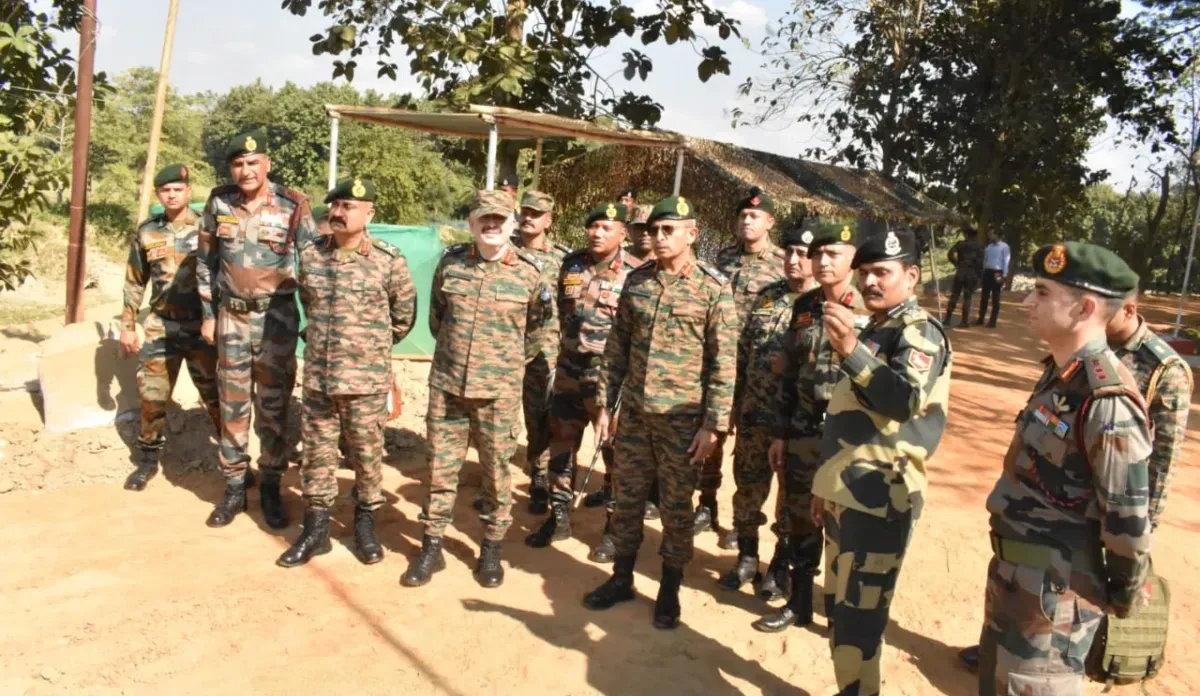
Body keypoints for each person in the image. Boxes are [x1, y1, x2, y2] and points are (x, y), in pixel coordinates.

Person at [958, 266, 1189, 675]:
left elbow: (1151, 472)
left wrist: (1126, 582)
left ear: (1089, 308)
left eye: (1043, 294)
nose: (1028, 302)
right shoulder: (1066, 364)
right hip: (1026, 566)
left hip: (1069, 568)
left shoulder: (1141, 378)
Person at [581, 195, 737, 630]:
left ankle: (670, 587)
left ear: (693, 233)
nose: (660, 237)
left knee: (675, 507)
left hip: (683, 421)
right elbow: (616, 349)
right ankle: (622, 578)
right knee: (626, 500)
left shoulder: (713, 288)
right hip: (633, 415)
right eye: (655, 230)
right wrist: (603, 405)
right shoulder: (638, 282)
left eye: (670, 230)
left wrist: (714, 424)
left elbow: (725, 362)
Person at [811, 230, 952, 695]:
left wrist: (852, 349)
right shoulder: (876, 326)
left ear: (910, 277)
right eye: (865, 272)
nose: (871, 281)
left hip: (881, 497)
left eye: (882, 273)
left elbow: (904, 400)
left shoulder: (919, 331)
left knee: (859, 620)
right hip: (847, 491)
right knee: (840, 610)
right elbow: (848, 417)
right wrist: (825, 486)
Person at [401, 190, 556, 589]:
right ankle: (431, 546)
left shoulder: (529, 271)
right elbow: (438, 320)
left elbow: (537, 331)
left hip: (498, 393)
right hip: (448, 387)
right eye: (483, 219)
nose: (491, 225)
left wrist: (504, 365)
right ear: (471, 224)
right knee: (439, 469)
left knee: (496, 472)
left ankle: (490, 548)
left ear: (511, 224)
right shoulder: (450, 264)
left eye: (499, 219)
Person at [277, 178, 417, 568]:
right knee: (317, 457)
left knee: (366, 455)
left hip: (365, 381)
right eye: (335, 205)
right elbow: (310, 302)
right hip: (320, 379)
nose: (339, 212)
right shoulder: (311, 255)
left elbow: (403, 318)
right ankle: (316, 529)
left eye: (349, 206)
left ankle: (366, 525)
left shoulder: (389, 260)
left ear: (369, 213)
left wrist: (366, 348)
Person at [749, 225, 868, 632]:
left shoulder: (871, 308)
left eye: (833, 253)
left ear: (852, 259)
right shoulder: (804, 306)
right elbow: (787, 375)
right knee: (799, 521)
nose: (823, 262)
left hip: (850, 440)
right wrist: (781, 433)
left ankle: (837, 611)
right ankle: (798, 604)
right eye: (818, 254)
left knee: (843, 529)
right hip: (802, 432)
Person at [197, 130, 317, 529]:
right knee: (232, 405)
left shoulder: (292, 204)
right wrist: (209, 315)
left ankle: (270, 486)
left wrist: (316, 322)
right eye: (237, 164)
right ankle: (233, 488)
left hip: (276, 320)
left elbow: (313, 263)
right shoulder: (218, 202)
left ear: (267, 163)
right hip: (230, 316)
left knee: (273, 405)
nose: (245, 171)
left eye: (252, 163)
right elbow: (205, 263)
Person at [525, 202, 639, 555]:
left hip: (610, 378)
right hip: (569, 373)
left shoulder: (636, 273)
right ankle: (558, 517)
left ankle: (613, 528)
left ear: (623, 233)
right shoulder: (570, 264)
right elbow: (556, 312)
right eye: (593, 226)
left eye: (606, 227)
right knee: (561, 447)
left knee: (615, 454)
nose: (597, 233)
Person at [716, 224, 818, 602]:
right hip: (755, 414)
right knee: (747, 487)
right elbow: (742, 354)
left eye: (803, 254)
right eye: (790, 252)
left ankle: (779, 566)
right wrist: (732, 402)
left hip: (797, 423)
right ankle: (746, 556)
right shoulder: (767, 297)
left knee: (791, 499)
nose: (794, 260)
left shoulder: (828, 304)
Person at [119, 164, 222, 491]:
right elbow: (135, 281)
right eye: (166, 190)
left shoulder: (208, 228)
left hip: (201, 328)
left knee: (215, 396)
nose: (172, 194)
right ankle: (147, 462)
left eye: (178, 189)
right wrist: (127, 324)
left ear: (188, 192)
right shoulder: (148, 231)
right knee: (152, 396)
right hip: (161, 327)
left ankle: (233, 461)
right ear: (159, 195)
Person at [697, 187, 786, 550]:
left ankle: (743, 523)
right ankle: (706, 505)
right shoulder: (723, 258)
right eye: (743, 216)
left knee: (751, 447)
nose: (747, 221)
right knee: (711, 435)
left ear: (769, 222)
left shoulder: (783, 262)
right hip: (721, 362)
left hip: (759, 370)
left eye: (755, 216)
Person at [584, 202, 659, 513]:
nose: (646, 236)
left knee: (625, 443)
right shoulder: (581, 266)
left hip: (635, 374)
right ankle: (608, 487)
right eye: (640, 229)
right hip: (591, 367)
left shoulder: (642, 276)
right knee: (605, 436)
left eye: (650, 230)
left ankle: (639, 497)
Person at [512, 191, 570, 515]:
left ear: (548, 220)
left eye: (537, 213)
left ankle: (539, 477)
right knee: (502, 415)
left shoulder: (562, 260)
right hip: (504, 348)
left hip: (543, 350)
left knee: (539, 417)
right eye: (525, 211)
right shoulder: (503, 250)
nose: (529, 218)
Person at [944, 226, 984, 328]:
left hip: (960, 271)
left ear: (966, 235)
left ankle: (947, 319)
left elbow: (950, 254)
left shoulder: (960, 244)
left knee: (955, 295)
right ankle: (964, 321)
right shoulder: (979, 246)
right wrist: (980, 275)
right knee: (967, 297)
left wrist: (956, 263)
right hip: (971, 273)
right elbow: (980, 262)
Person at [977, 231, 1011, 328]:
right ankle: (981, 318)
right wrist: (983, 273)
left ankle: (992, 321)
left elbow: (1006, 261)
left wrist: (1004, 275)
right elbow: (985, 260)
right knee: (984, 297)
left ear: (998, 235)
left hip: (998, 273)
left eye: (992, 234)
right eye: (990, 234)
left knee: (995, 297)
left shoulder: (1004, 247)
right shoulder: (989, 247)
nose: (990, 236)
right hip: (987, 272)